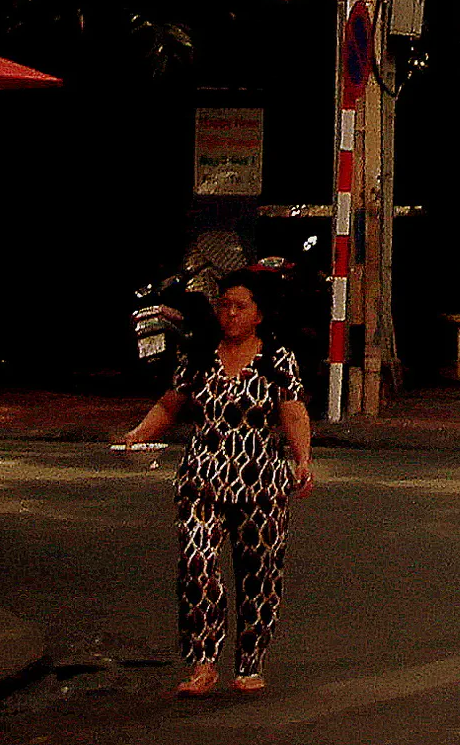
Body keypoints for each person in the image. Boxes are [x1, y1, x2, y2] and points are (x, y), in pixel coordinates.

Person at [121, 277, 313, 698]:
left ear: (259, 314)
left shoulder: (276, 359)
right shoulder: (198, 356)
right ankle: (203, 661)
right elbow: (170, 404)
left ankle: (250, 662)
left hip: (260, 482)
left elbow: (293, 412)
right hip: (202, 479)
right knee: (197, 564)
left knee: (259, 573)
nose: (230, 314)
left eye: (240, 307)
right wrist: (138, 434)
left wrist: (302, 459)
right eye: (224, 305)